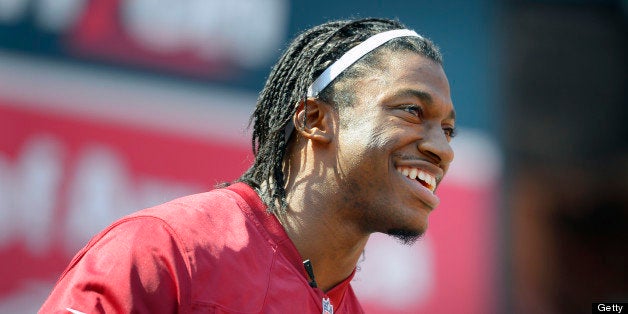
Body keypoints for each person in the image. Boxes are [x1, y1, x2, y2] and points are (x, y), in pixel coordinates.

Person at [40, 17, 456, 313]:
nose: (442, 149)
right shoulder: (164, 253)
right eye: (412, 110)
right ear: (314, 119)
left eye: (449, 130)